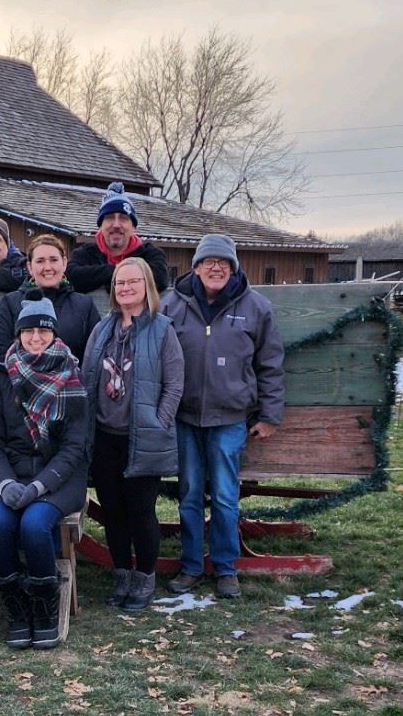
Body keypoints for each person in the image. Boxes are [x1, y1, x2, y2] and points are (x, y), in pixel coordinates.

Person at [159, 234, 284, 599]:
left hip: (231, 418)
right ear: (195, 267)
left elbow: (271, 365)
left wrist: (270, 415)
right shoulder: (172, 306)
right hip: (184, 418)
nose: (216, 268)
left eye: (224, 263)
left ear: (233, 268)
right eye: (208, 262)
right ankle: (191, 566)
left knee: (227, 497)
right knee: (190, 494)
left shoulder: (256, 308)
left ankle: (226, 568)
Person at [0, 292, 90, 649]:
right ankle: (16, 608)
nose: (35, 338)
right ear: (18, 335)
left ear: (54, 335)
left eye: (43, 332)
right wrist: (4, 482)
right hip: (11, 474)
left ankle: (44, 607)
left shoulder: (72, 377)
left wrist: (40, 486)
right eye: (28, 332)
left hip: (58, 478)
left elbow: (74, 447)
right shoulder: (1, 378)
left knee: (33, 523)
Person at [81, 257, 184, 611]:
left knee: (141, 512)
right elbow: (87, 377)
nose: (125, 288)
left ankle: (145, 577)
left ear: (146, 287)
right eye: (119, 283)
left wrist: (159, 421)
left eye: (132, 282)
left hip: (142, 437)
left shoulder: (162, 329)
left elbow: (174, 384)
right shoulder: (102, 329)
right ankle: (122, 573)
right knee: (113, 511)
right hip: (105, 436)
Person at [0, 234, 100, 366]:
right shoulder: (11, 303)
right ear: (29, 267)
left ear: (64, 263)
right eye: (40, 261)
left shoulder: (84, 305)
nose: (47, 267)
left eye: (53, 260)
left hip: (72, 384)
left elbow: (95, 355)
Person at [65, 182, 170, 294]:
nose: (116, 225)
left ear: (133, 227)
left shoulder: (150, 253)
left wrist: (106, 276)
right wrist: (117, 271)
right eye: (110, 218)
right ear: (100, 225)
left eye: (123, 218)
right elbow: (71, 278)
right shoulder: (85, 253)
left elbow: (160, 279)